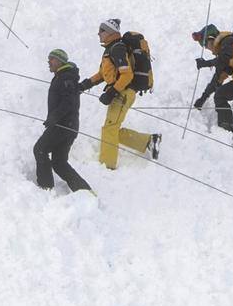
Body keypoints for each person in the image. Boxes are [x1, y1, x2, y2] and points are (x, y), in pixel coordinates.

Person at [78, 19, 161, 170]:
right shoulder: (111, 49)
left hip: (123, 93)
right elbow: (103, 74)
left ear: (110, 32)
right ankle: (148, 141)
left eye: (101, 31)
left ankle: (107, 166)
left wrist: (112, 92)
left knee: (110, 128)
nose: (98, 34)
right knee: (112, 128)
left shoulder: (117, 48)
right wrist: (84, 85)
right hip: (121, 92)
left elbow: (127, 75)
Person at [34, 49, 93, 193]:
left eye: (52, 59)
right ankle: (84, 192)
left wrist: (54, 117)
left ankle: (45, 188)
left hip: (63, 126)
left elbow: (69, 102)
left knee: (40, 150)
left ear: (60, 61)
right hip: (68, 126)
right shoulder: (64, 76)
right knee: (59, 163)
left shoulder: (66, 77)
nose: (49, 62)